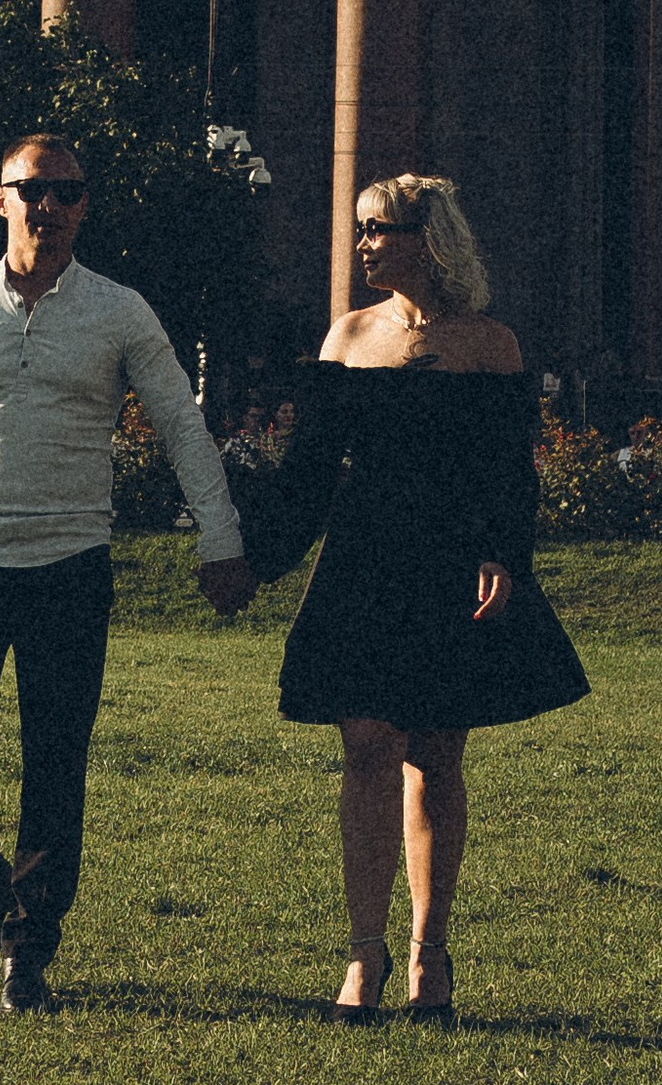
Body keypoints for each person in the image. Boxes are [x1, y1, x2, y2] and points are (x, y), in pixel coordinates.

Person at [0, 134, 254, 1014]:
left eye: (67, 192)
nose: (49, 206)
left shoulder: (120, 312)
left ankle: (28, 947)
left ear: (84, 207)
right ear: (0, 199)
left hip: (71, 568)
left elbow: (182, 429)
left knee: (55, 760)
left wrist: (219, 538)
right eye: (32, 189)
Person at [235, 173, 587, 1025]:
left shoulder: (491, 345)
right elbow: (309, 473)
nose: (362, 245)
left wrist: (504, 554)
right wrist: (251, 563)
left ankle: (431, 954)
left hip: (453, 565)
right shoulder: (347, 337)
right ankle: (364, 956)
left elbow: (508, 473)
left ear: (429, 240)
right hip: (363, 562)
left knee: (435, 752)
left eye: (378, 231)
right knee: (366, 744)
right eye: (361, 230)